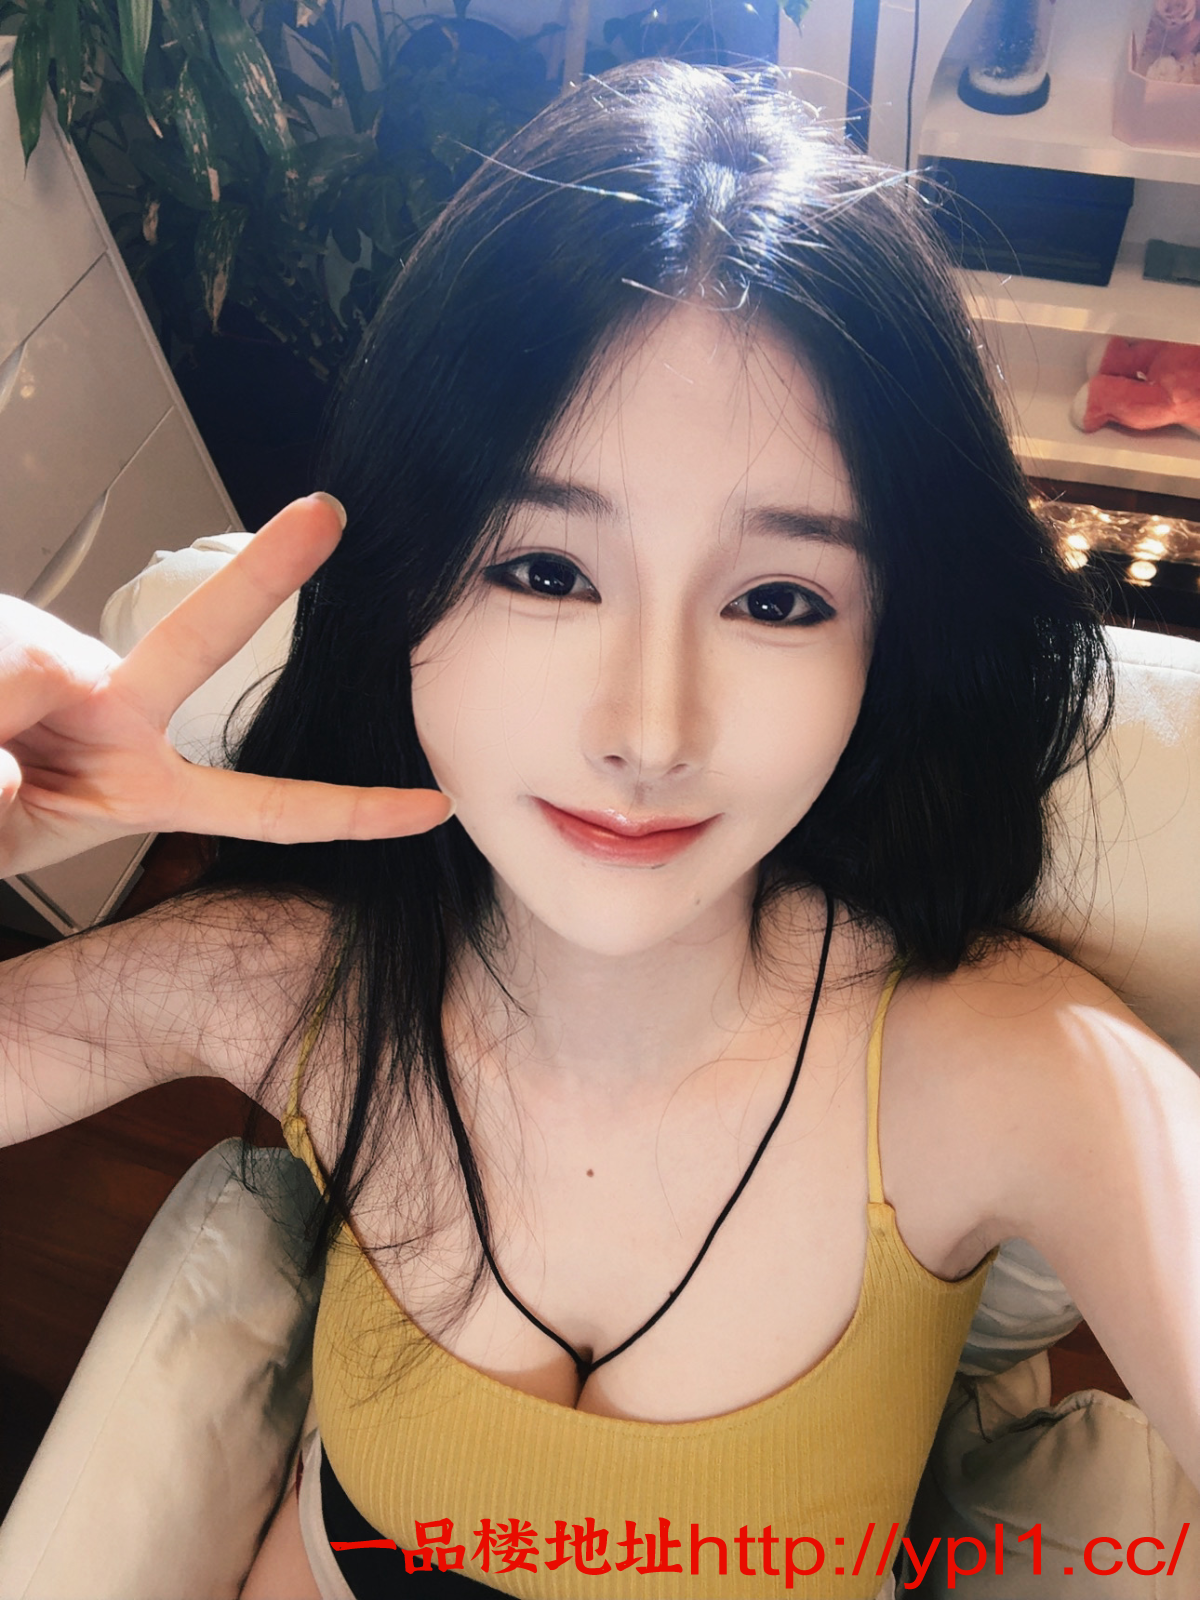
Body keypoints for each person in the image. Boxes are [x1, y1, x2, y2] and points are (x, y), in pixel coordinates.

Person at [1, 59, 1197, 1600]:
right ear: (406, 584)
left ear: (885, 647)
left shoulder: (1013, 1075)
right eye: (546, 571)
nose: (649, 730)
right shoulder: (299, 983)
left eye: (780, 598)